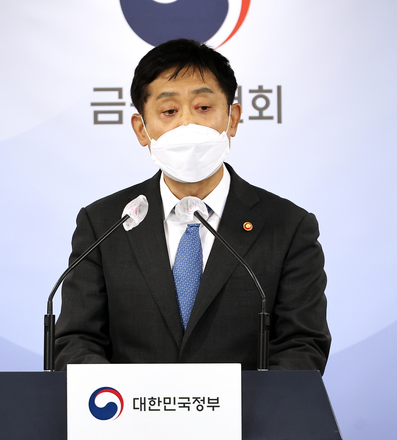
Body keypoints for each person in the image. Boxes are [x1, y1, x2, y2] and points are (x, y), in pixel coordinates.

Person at [54, 39, 330, 372]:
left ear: (232, 118)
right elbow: (76, 341)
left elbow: (302, 346)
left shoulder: (288, 227)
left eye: (203, 107)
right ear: (141, 129)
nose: (187, 124)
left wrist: (236, 403)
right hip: (125, 406)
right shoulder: (104, 223)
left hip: (248, 408)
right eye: (169, 111)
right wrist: (123, 399)